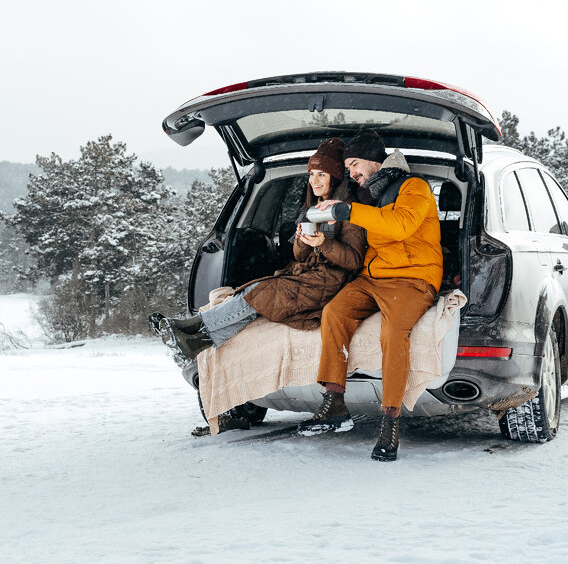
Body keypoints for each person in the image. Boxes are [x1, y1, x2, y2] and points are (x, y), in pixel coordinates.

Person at [152, 137, 367, 365]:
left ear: (335, 177)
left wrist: (324, 243)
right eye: (312, 174)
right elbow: (300, 257)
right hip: (309, 276)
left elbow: (354, 261)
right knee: (257, 295)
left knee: (259, 292)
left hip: (331, 282)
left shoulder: (348, 210)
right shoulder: (310, 209)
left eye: (321, 174)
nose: (315, 181)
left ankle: (190, 326)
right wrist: (304, 240)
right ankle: (195, 343)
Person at [298, 130, 443, 462]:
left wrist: (349, 210)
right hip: (374, 275)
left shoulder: (413, 187)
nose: (351, 173)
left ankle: (390, 420)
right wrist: (320, 238)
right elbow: (359, 235)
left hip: (414, 278)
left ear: (373, 160)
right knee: (334, 312)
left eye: (354, 165)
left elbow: (399, 225)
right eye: (348, 167)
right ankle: (334, 400)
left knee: (392, 332)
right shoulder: (365, 194)